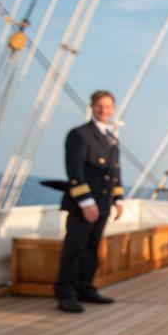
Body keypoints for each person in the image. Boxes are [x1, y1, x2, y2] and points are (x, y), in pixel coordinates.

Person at [54, 90, 124, 314]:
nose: (104, 110)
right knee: (75, 248)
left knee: (92, 248)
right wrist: (86, 202)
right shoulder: (80, 134)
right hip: (84, 204)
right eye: (100, 106)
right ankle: (66, 292)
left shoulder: (111, 139)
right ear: (92, 107)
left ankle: (85, 287)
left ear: (113, 109)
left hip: (103, 203)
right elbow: (74, 170)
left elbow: (114, 172)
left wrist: (118, 199)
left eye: (108, 107)